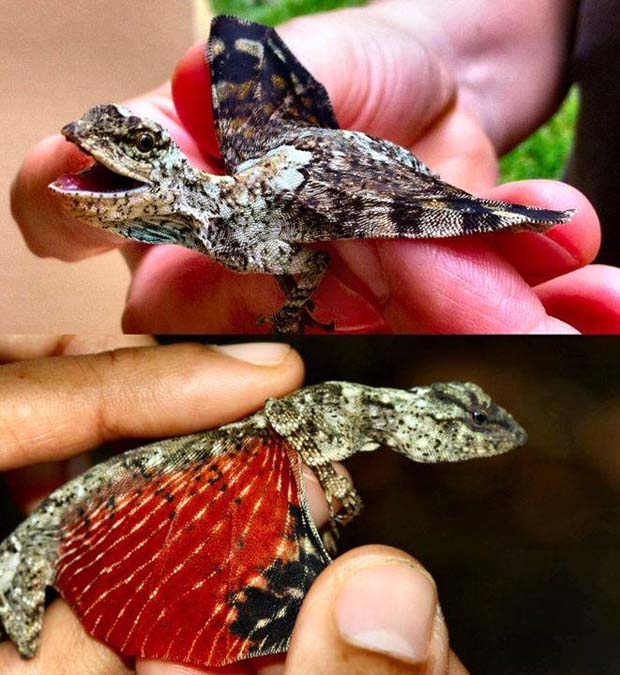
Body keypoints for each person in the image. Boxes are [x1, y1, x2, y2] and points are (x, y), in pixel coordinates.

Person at [10, 1, 620, 333]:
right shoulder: (229, 231)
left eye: (142, 149)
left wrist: (296, 306)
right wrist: (430, 58)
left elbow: (308, 258)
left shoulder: (246, 227)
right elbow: (306, 262)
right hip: (314, 161)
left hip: (345, 182)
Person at [0, 337, 467, 674]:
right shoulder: (354, 406)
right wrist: (325, 475)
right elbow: (284, 415)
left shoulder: (364, 418)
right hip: (231, 458)